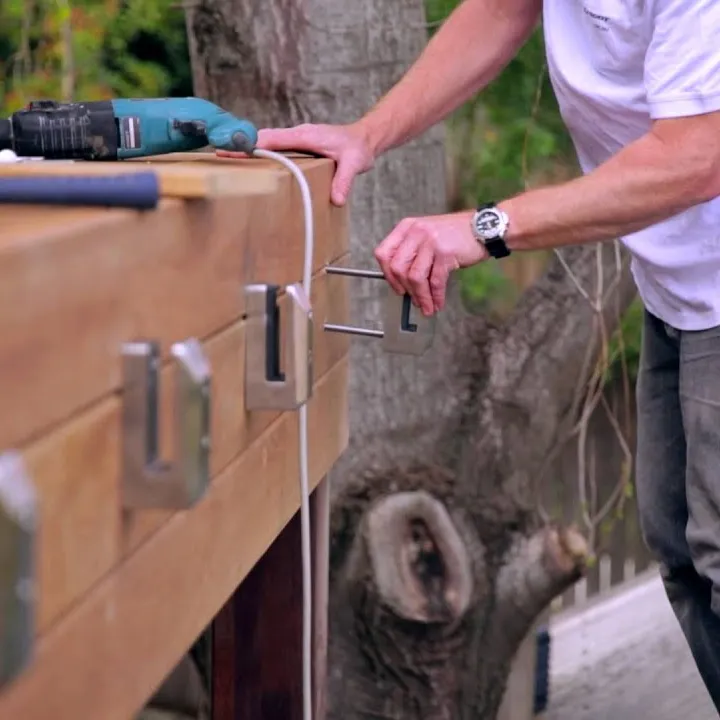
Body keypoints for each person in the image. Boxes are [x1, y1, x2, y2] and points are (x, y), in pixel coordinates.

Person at [219, 0, 720, 707]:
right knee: (685, 555)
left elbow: (697, 157)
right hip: (681, 287)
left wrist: (484, 228)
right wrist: (367, 135)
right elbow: (499, 9)